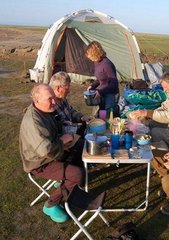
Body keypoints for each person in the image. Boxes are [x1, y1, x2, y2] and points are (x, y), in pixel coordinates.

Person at [19, 84, 85, 223]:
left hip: (52, 152)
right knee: (77, 174)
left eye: (54, 98)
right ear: (37, 101)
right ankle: (51, 204)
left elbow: (55, 128)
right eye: (50, 99)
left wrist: (65, 130)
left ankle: (66, 182)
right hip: (39, 162)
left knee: (81, 145)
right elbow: (46, 151)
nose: (54, 102)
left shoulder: (45, 110)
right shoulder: (34, 121)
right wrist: (62, 141)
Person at [129, 70, 169, 151]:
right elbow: (164, 107)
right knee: (149, 124)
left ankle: (162, 155)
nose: (164, 90)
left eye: (165, 87)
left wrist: (147, 113)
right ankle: (151, 148)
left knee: (155, 132)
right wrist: (147, 115)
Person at [49, 71, 93, 138]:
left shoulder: (62, 98)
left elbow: (71, 111)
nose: (69, 91)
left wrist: (82, 117)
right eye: (67, 88)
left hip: (72, 130)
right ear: (58, 88)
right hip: (65, 138)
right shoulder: (50, 106)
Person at [85, 41, 119, 117]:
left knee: (109, 117)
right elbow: (100, 78)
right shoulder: (96, 62)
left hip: (111, 94)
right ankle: (102, 126)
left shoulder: (107, 64)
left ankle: (109, 127)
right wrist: (92, 85)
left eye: (89, 54)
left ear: (95, 52)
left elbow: (114, 83)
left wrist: (101, 92)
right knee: (102, 114)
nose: (88, 57)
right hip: (102, 94)